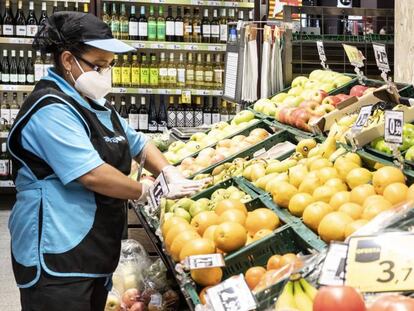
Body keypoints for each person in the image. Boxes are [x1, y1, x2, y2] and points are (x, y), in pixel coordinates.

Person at [7, 12, 204, 311]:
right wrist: (143, 191)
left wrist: (169, 171)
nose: (105, 74)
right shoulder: (50, 109)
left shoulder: (95, 104)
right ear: (68, 60)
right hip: (56, 254)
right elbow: (91, 174)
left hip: (94, 249)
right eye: (98, 66)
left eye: (109, 65)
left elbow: (138, 143)